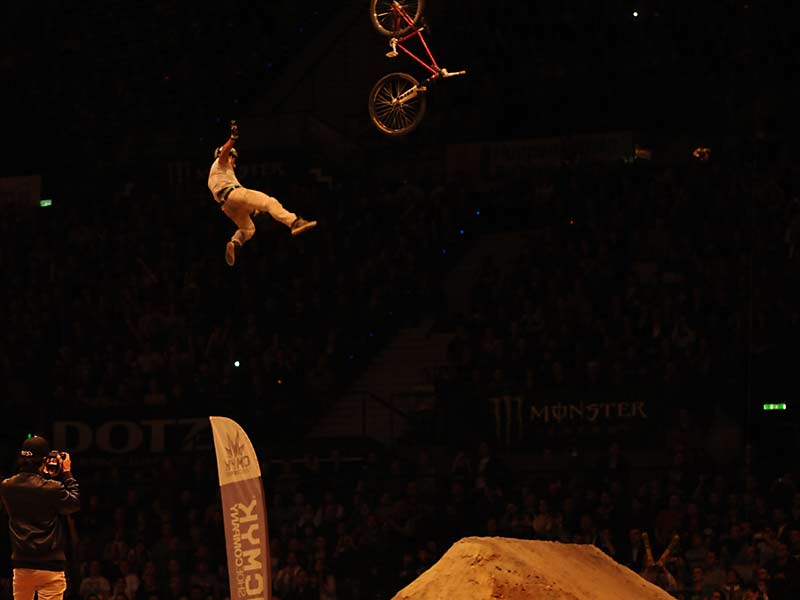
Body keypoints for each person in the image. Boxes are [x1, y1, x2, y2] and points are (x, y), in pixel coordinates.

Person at [207, 120, 317, 266]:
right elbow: (224, 154)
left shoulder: (216, 175)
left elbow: (239, 202)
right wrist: (232, 138)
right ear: (230, 156)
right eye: (234, 159)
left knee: (248, 228)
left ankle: (235, 243)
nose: (235, 164)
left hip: (226, 205)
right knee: (269, 202)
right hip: (233, 194)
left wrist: (255, 210)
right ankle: (294, 222)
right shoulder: (221, 162)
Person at [0, 435, 80, 600]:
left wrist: (45, 475)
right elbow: (73, 504)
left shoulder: (6, 486)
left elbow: (30, 490)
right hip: (50, 566)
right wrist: (66, 472)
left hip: (21, 566)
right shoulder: (52, 488)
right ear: (44, 460)